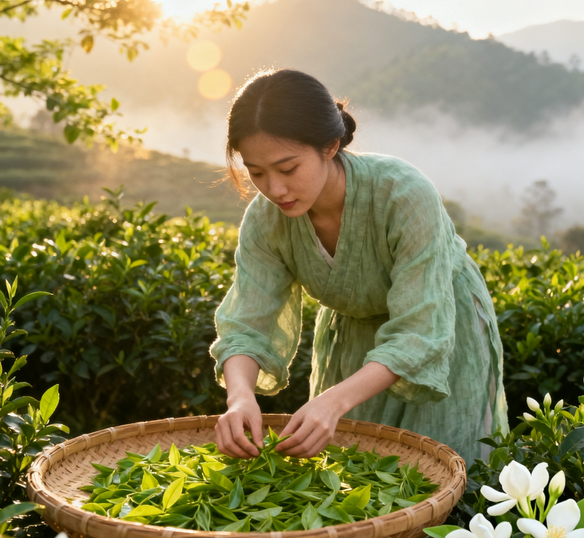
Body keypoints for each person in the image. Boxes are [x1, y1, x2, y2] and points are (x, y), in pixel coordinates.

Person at [209, 68, 509, 466]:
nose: (274, 189)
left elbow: (420, 331)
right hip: (352, 339)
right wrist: (239, 398)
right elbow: (246, 322)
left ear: (330, 146)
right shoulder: (266, 220)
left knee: (441, 470)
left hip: (439, 326)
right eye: (256, 172)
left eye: (288, 169)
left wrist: (334, 401)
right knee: (354, 476)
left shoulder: (403, 194)